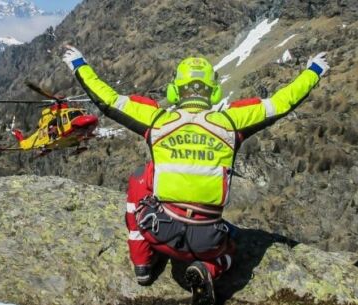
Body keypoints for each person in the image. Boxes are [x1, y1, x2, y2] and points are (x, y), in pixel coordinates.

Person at [62, 45, 329, 305]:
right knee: (229, 254)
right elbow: (283, 102)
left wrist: (79, 65)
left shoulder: (156, 120)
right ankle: (208, 270)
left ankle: (142, 264)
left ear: (175, 89)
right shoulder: (233, 122)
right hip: (209, 241)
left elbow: (107, 99)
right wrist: (313, 71)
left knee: (140, 177)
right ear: (213, 92)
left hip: (160, 231)